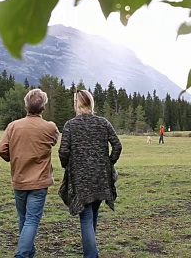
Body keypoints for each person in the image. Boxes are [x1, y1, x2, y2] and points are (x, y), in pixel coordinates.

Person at [0, 88, 60, 258]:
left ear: (26, 106)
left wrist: (14, 158)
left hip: (20, 179)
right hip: (39, 182)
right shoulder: (50, 127)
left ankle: (29, 252)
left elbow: (1, 149)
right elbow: (54, 141)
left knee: (23, 219)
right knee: (31, 220)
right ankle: (22, 254)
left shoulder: (13, 126)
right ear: (43, 107)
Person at [58, 89, 122, 258]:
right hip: (101, 177)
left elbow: (63, 152)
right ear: (92, 104)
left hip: (81, 179)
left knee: (86, 217)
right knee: (92, 213)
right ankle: (91, 249)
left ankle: (91, 254)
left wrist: (68, 166)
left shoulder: (70, 125)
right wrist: (108, 164)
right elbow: (117, 146)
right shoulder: (103, 123)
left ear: (76, 104)